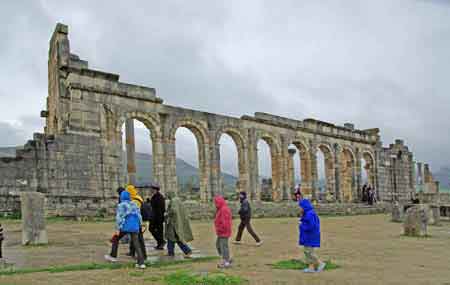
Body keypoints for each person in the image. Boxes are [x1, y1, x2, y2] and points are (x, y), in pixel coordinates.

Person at [104, 191, 146, 269]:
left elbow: (119, 218)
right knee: (137, 244)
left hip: (125, 226)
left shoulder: (121, 205)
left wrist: (118, 228)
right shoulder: (134, 204)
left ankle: (113, 256)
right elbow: (139, 216)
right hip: (135, 226)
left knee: (115, 238)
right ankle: (141, 263)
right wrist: (140, 224)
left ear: (122, 197)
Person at [298, 199, 325, 273]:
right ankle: (311, 267)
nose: (299, 208)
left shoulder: (310, 214)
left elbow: (311, 226)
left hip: (310, 236)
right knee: (306, 251)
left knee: (309, 252)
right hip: (307, 236)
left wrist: (301, 225)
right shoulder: (307, 213)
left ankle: (320, 263)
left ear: (304, 206)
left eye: (300, 206)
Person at [165, 192, 193, 257]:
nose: (167, 197)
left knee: (174, 238)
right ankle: (171, 252)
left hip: (173, 223)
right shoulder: (178, 200)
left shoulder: (173, 201)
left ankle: (187, 251)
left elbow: (173, 211)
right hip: (177, 222)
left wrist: (167, 213)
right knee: (172, 238)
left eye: (167, 195)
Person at [126, 185, 147, 260]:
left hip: (137, 222)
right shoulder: (136, 198)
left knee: (139, 239)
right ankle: (135, 253)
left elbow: (135, 211)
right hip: (137, 222)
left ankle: (143, 256)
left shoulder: (135, 200)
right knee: (136, 239)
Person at [214, 196, 232, 268]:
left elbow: (225, 222)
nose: (215, 204)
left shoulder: (224, 209)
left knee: (223, 246)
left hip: (224, 231)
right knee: (218, 245)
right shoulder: (220, 209)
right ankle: (226, 258)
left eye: (216, 202)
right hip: (221, 231)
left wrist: (221, 229)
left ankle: (226, 262)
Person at [150, 183, 166, 250]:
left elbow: (160, 209)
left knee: (153, 229)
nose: (152, 190)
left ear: (156, 190)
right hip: (155, 217)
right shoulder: (155, 196)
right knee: (155, 230)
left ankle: (161, 242)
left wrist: (159, 218)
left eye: (153, 189)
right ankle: (160, 243)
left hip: (158, 217)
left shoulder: (159, 197)